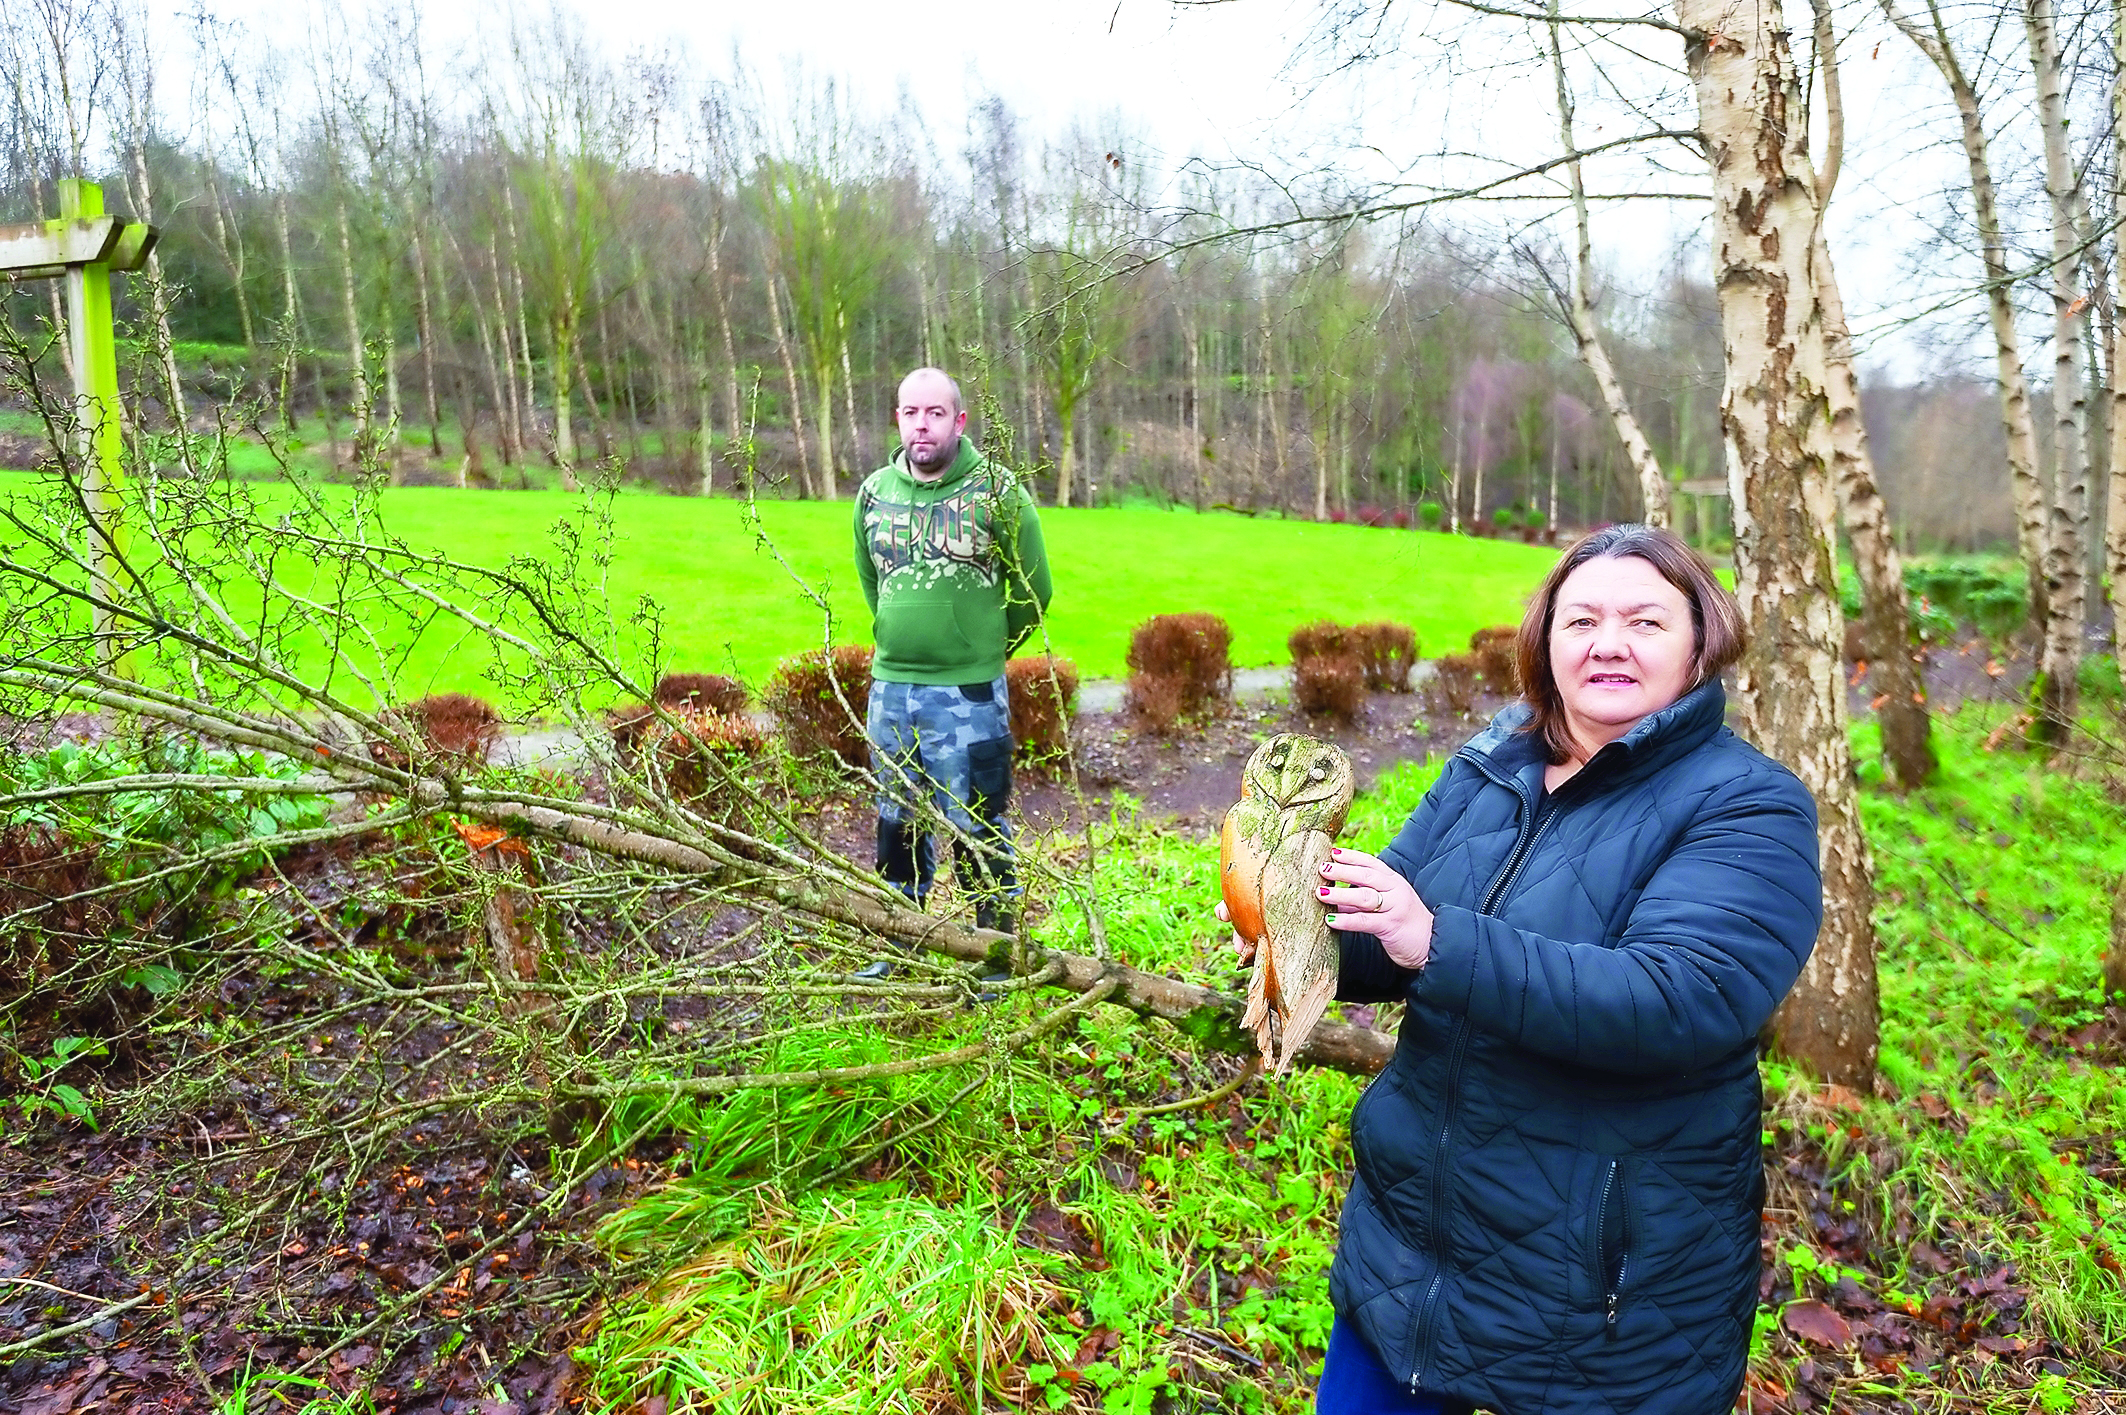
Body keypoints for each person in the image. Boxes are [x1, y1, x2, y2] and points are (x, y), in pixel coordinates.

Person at [1236, 524, 1822, 1413]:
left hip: (1598, 1292)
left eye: (1645, 621)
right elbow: (1391, 930)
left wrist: (1435, 939)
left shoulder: (1749, 805)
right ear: (1546, 639)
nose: (1608, 643)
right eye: (1581, 619)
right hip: (1412, 1258)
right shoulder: (1495, 761)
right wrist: (1285, 926)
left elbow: (1678, 999)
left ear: (1702, 640)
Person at [854, 367, 1051, 939]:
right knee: (897, 821)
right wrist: (899, 636)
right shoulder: (874, 495)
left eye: (935, 413)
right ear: (898, 419)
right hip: (892, 692)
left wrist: (984, 647)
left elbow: (1035, 590)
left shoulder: (997, 491)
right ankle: (901, 941)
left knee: (979, 824)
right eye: (911, 413)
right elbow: (872, 582)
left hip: (970, 695)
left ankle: (996, 951)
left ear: (959, 421)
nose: (922, 425)